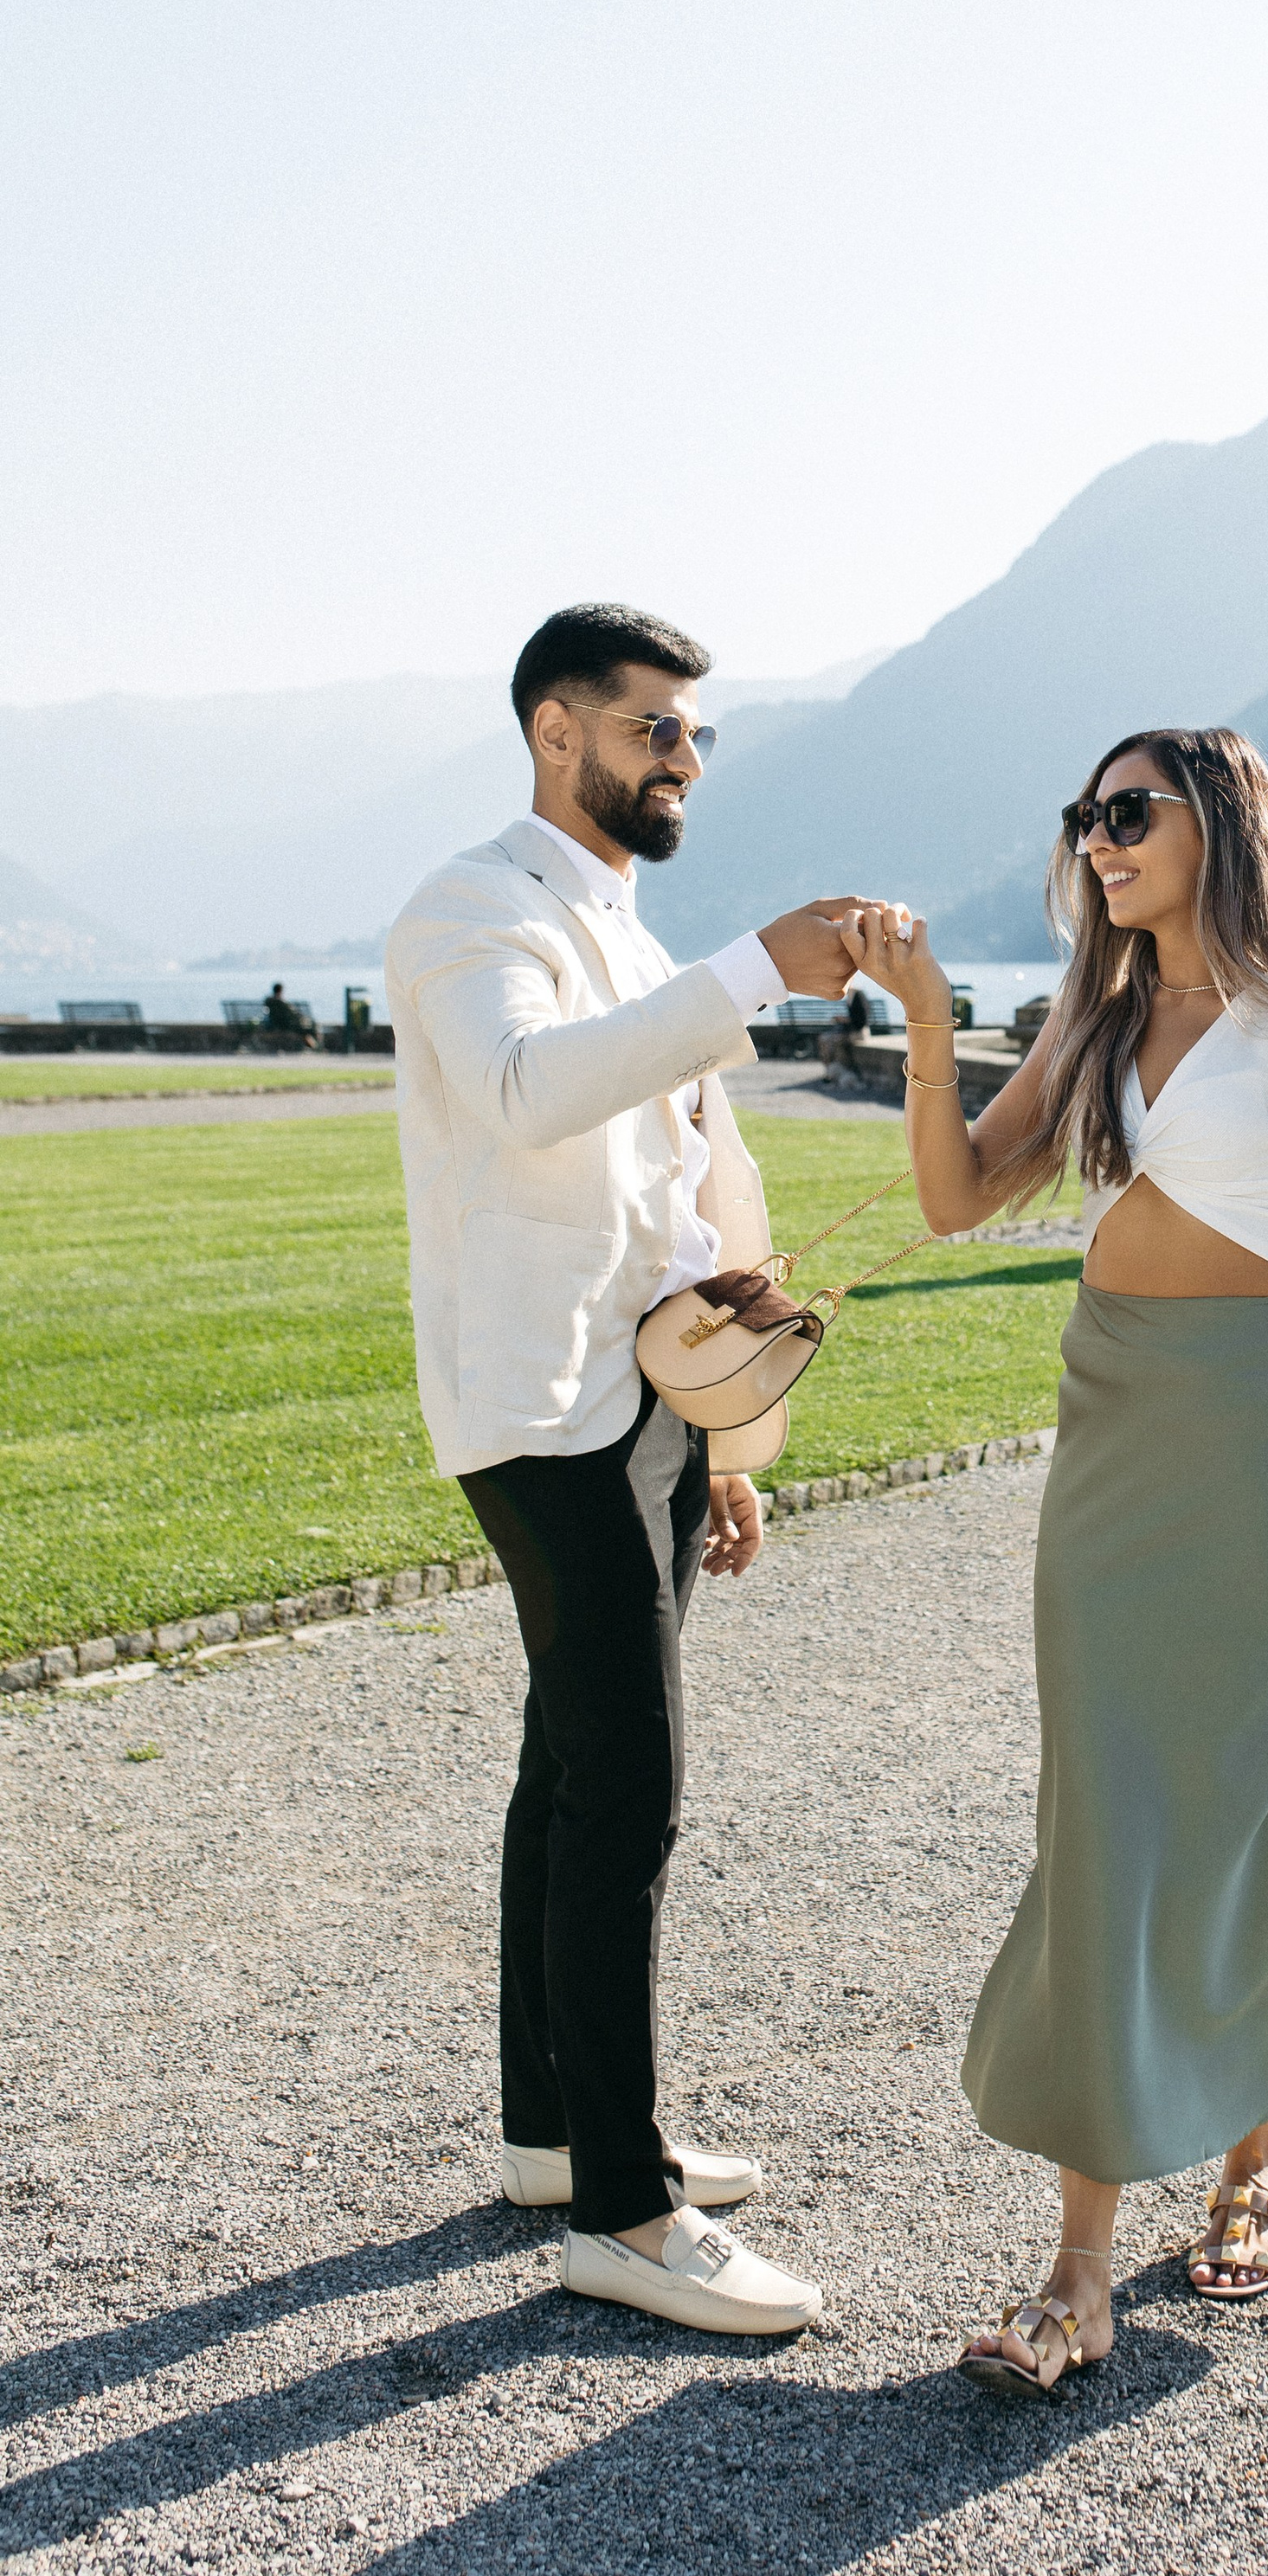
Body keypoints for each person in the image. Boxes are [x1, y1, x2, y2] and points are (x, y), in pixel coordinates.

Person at [843, 724, 1268, 2395]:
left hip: (1265, 1455)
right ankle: (1082, 2265)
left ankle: (1257, 2164)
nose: (1099, 841)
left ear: (1217, 825)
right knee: (1107, 1826)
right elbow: (961, 1199)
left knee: (1250, 1806)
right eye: (1084, 819)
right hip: (1113, 1448)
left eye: (1129, 812)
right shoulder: (1094, 1025)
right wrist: (939, 1027)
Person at [385, 601, 885, 2340]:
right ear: (556, 732)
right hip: (540, 1409)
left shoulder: (616, 922)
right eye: (653, 728)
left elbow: (671, 1193)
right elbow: (526, 1100)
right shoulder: (472, 911)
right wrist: (754, 968)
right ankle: (624, 2206)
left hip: (650, 1405)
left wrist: (723, 1438)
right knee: (632, 1795)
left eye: (694, 734)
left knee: (568, 1764)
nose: (682, 756)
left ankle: (549, 2135)